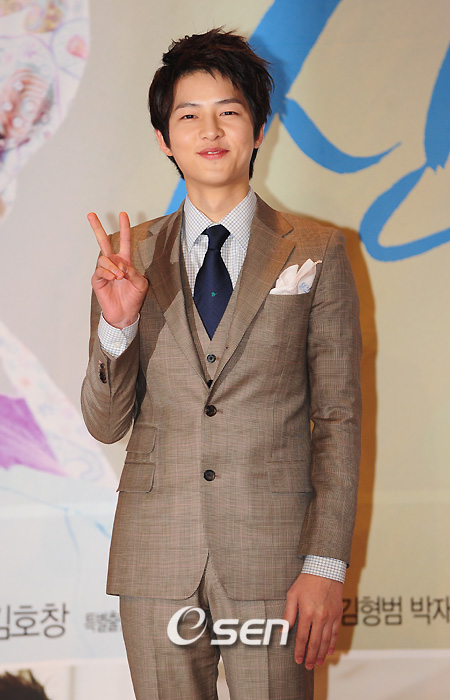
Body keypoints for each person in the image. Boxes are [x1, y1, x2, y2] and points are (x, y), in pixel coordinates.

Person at [81, 28, 361, 700]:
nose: (209, 130)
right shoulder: (127, 255)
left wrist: (325, 564)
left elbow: (338, 418)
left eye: (228, 111)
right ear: (164, 138)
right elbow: (105, 424)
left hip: (276, 556)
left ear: (258, 129)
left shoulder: (317, 250)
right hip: (157, 556)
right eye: (189, 115)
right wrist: (118, 326)